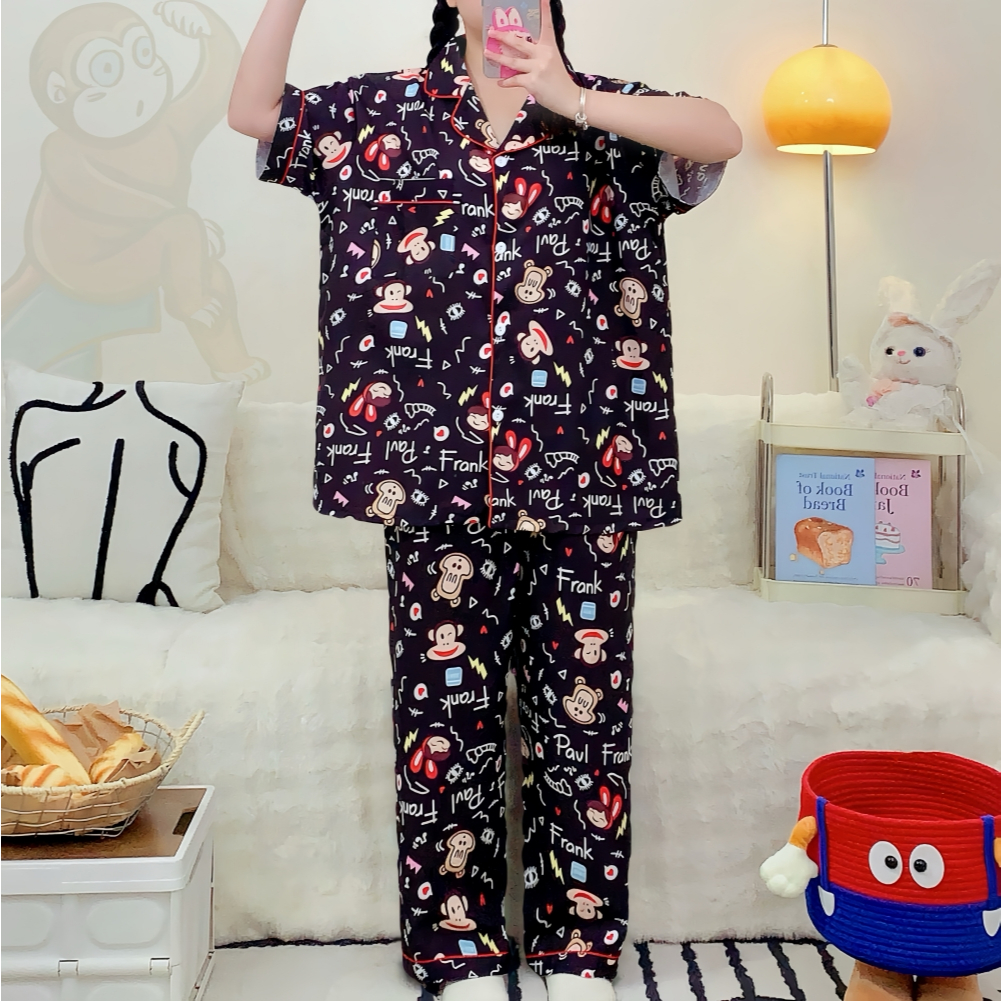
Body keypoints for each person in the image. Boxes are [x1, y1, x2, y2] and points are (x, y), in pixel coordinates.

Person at [229, 1, 741, 997]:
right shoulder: (381, 114)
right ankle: (454, 945)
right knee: (443, 722)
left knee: (584, 724)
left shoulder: (609, 117)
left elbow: (720, 133)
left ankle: (576, 947)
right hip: (430, 475)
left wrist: (568, 96)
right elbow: (255, 112)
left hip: (585, 471)